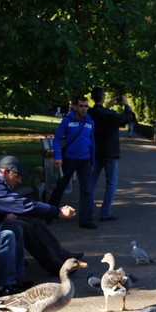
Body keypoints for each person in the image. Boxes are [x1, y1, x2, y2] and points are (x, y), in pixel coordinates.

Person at [0, 155, 83, 278]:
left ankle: (63, 255)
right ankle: (56, 267)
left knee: (30, 221)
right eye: (17, 176)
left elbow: (15, 205)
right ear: (5, 172)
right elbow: (24, 205)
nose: (19, 181)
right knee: (22, 227)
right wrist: (57, 212)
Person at [49, 94, 97, 229]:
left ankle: (86, 220)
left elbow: (92, 143)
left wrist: (92, 162)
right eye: (81, 106)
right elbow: (57, 140)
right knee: (60, 187)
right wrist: (58, 156)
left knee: (87, 190)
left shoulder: (90, 122)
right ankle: (49, 214)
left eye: (86, 106)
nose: (83, 109)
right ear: (75, 107)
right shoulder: (67, 121)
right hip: (69, 159)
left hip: (85, 160)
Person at [88, 88, 135, 221]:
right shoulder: (110, 115)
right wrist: (126, 104)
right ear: (102, 97)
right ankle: (105, 212)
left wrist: (107, 106)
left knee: (91, 182)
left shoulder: (90, 113)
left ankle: (88, 210)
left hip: (95, 151)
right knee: (111, 183)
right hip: (110, 152)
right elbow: (127, 118)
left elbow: (100, 112)